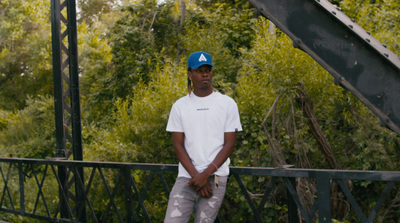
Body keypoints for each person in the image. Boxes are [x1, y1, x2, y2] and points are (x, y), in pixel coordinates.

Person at [164, 51, 242, 222]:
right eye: (199, 70)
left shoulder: (227, 104)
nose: (205, 74)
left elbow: (229, 144)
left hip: (215, 178)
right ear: (190, 74)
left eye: (208, 69)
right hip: (187, 178)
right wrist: (196, 176)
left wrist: (205, 175)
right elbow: (178, 145)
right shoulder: (180, 106)